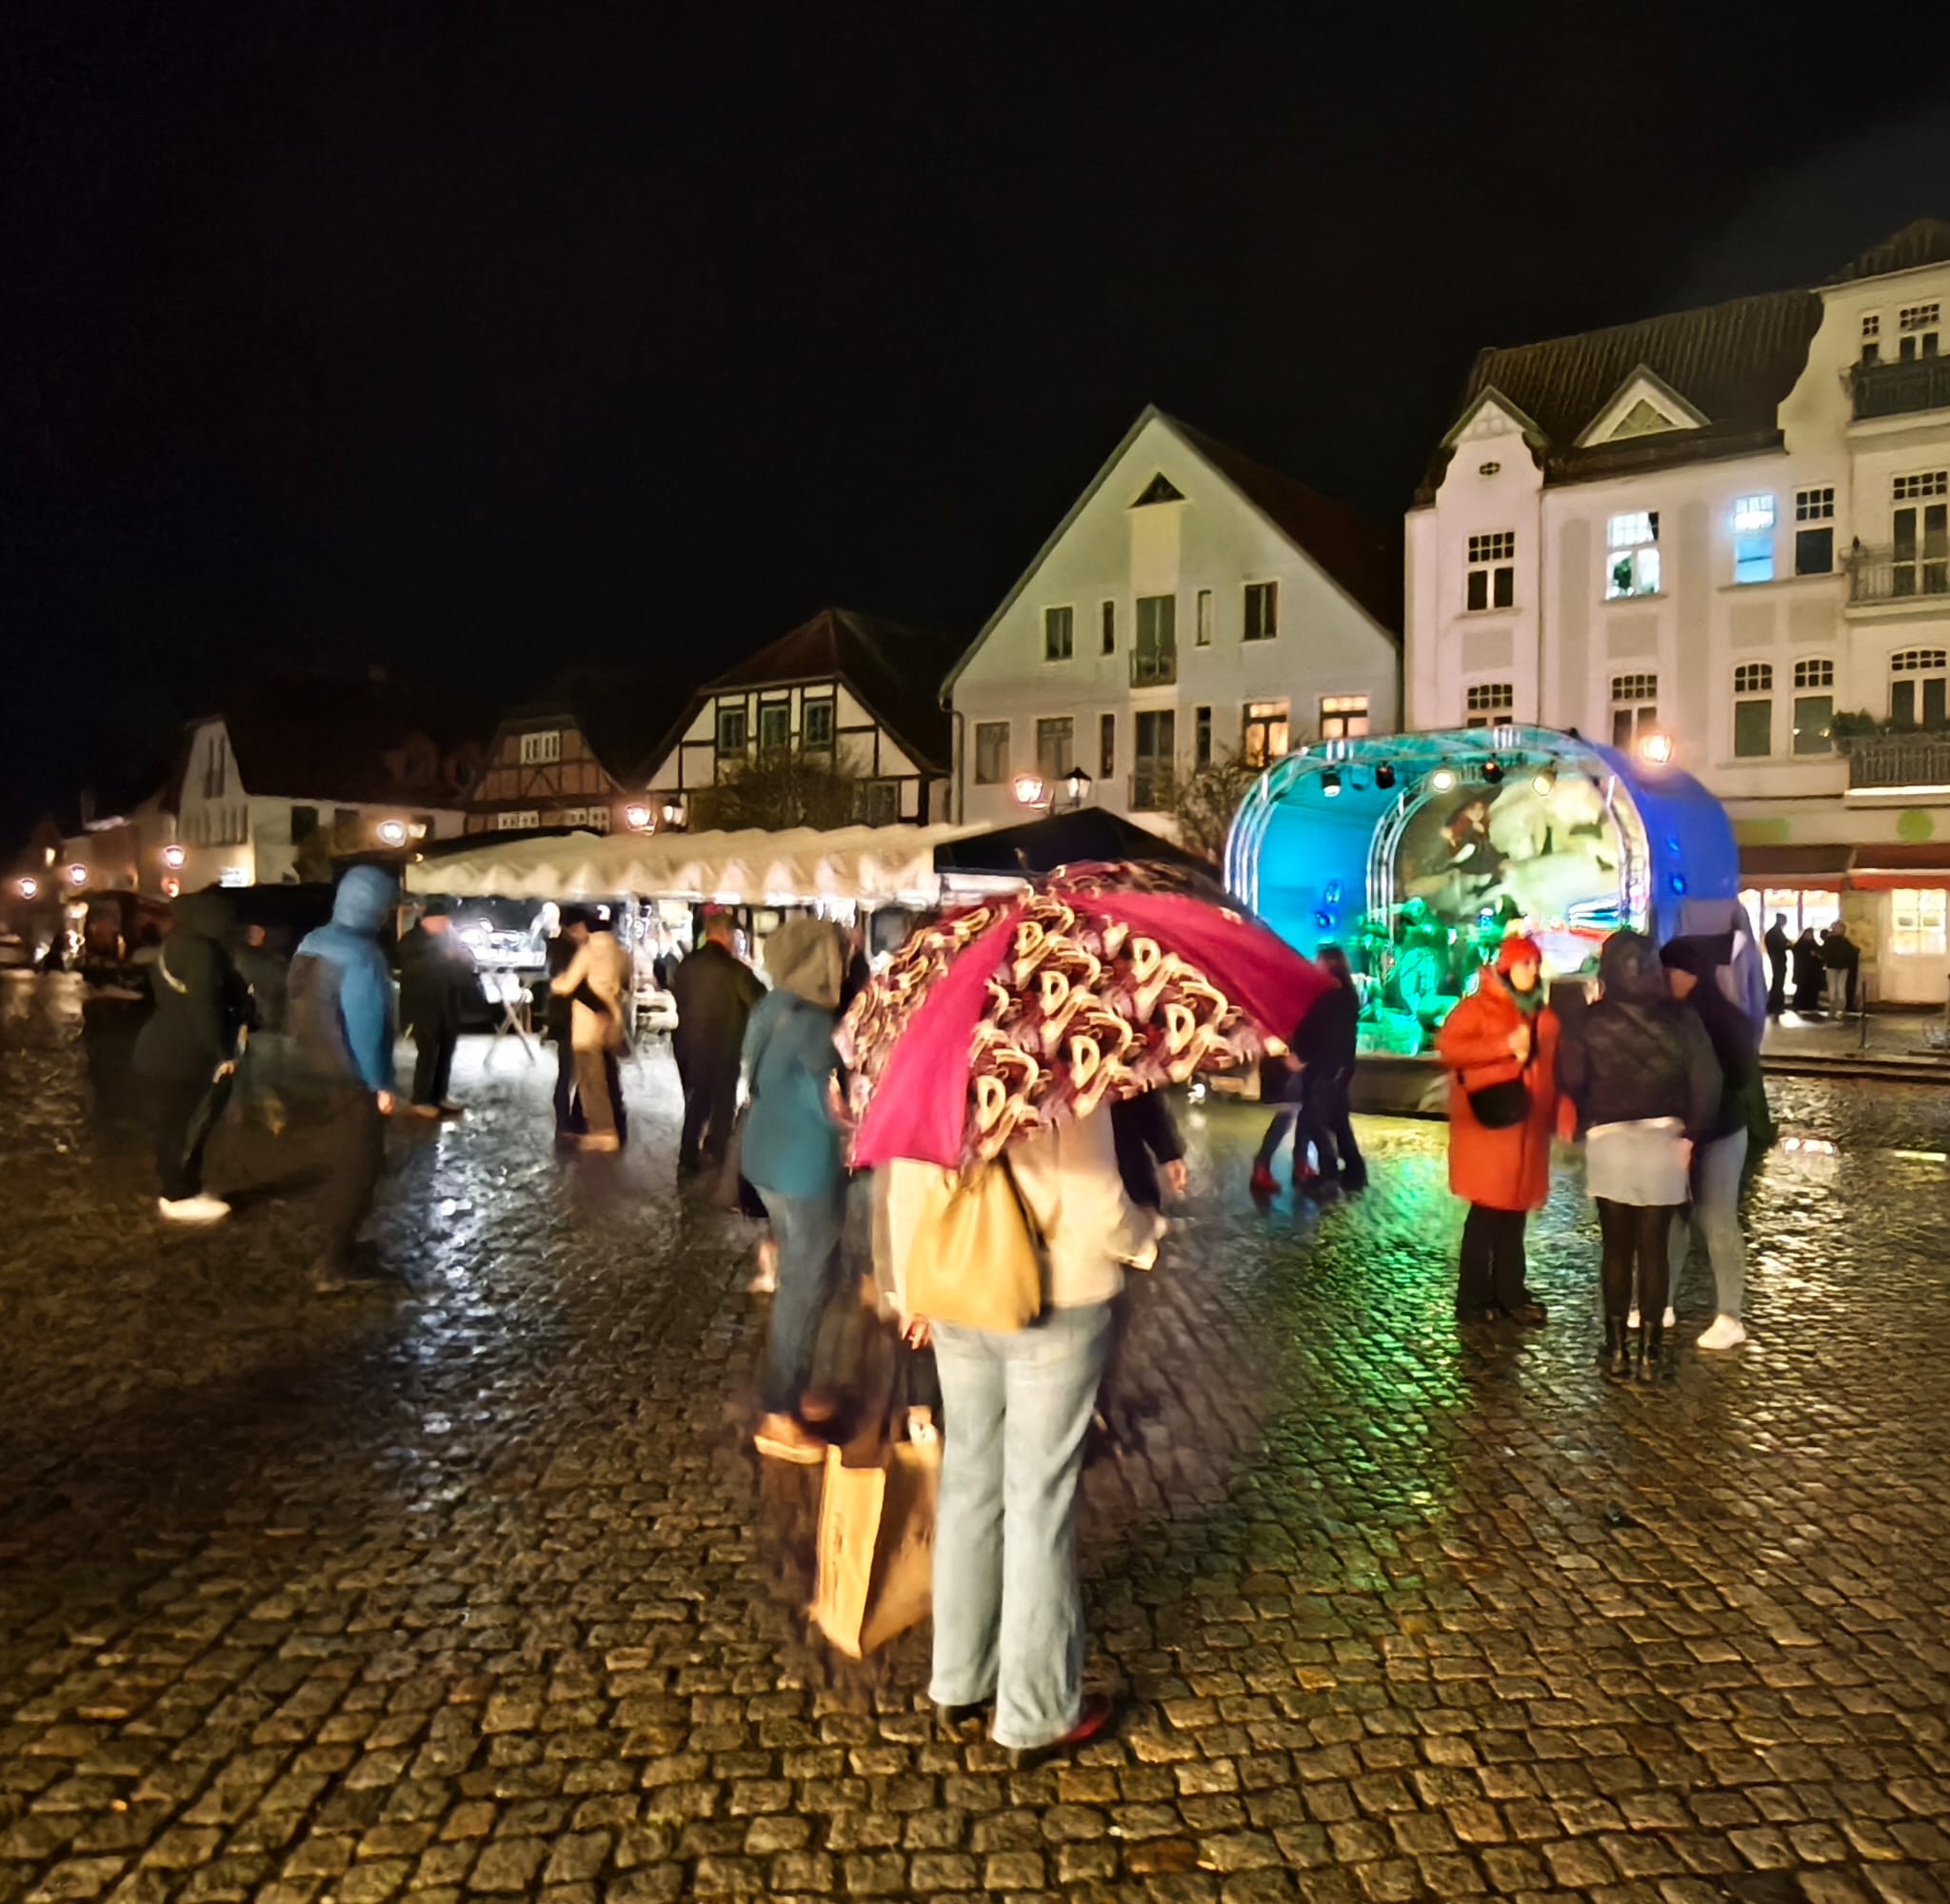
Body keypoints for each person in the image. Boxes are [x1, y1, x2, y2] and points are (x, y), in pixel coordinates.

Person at [895, 1107, 1162, 1755]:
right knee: (1037, 1501)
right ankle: (1035, 1713)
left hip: (957, 1285)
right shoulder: (1067, 1061)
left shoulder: (930, 1058)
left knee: (968, 1484)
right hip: (1057, 1295)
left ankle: (959, 1680)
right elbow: (1097, 1201)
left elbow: (905, 1178)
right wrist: (1145, 1235)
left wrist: (911, 1289)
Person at [1556, 930, 1721, 1382]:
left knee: (1615, 1249)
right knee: (1653, 1250)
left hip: (1609, 1139)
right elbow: (1708, 1082)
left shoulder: (1588, 1021)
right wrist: (1691, 1136)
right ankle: (1650, 1353)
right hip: (1664, 1140)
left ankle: (1615, 1350)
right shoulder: (1682, 1019)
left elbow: (1569, 1077)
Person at [741, 917, 849, 1463]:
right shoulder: (814, 1025)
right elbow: (833, 1109)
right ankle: (779, 1413)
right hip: (803, 1168)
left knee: (797, 1280)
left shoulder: (771, 1005)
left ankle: (795, 1388)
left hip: (764, 1155)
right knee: (805, 1286)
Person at [1433, 934, 1560, 1327]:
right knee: (1488, 1214)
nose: (1532, 970)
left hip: (1526, 1127)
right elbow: (1450, 1048)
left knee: (1513, 1214)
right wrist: (1504, 1046)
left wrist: (1560, 1108)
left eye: (1535, 963)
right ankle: (1474, 1297)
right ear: (1506, 967)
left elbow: (1550, 1066)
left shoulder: (1540, 1013)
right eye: (1525, 963)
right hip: (1490, 1127)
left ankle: (1509, 1292)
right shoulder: (1478, 1008)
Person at [286, 866, 400, 1292]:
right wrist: (380, 1083)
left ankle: (340, 1248)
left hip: (313, 1066)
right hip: (351, 1076)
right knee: (361, 1166)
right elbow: (367, 1028)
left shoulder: (312, 941)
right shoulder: (362, 954)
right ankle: (334, 1262)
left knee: (340, 1158)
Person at [1661, 939, 1760, 1352]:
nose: (1664, 980)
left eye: (1670, 972)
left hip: (1720, 1133)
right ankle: (1661, 1302)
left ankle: (1730, 1316)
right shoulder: (1669, 1014)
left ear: (1691, 974)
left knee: (1717, 1218)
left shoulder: (1723, 1019)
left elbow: (1739, 1078)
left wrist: (1699, 1122)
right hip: (1681, 1133)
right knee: (1674, 1218)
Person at [133, 887, 248, 1222]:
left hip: (159, 1047)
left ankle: (174, 1185)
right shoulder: (202, 951)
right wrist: (222, 1052)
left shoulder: (174, 943)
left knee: (173, 1122)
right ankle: (175, 1194)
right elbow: (203, 1009)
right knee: (182, 1123)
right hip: (183, 1054)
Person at [669, 909, 764, 1177]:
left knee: (697, 1100)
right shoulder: (736, 970)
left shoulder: (685, 965)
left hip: (687, 1044)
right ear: (725, 935)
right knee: (723, 1102)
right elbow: (760, 1002)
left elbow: (677, 995)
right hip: (724, 1046)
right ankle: (718, 1155)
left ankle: (688, 1155)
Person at [550, 910, 629, 1152]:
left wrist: (556, 983)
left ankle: (602, 1132)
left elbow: (567, 985)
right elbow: (627, 982)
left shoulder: (587, 952)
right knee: (605, 1076)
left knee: (591, 1081)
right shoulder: (621, 954)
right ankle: (609, 1127)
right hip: (612, 1021)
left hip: (586, 1026)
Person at [1292, 944, 1366, 1196]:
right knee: (1338, 1120)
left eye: (1319, 961)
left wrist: (1301, 1055)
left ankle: (1329, 1172)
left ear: (1330, 965)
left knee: (1315, 1120)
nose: (1315, 965)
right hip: (1338, 1066)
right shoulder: (1345, 995)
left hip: (1326, 1067)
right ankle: (1354, 1172)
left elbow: (1315, 1030)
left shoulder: (1330, 997)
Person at [397, 901, 477, 1118]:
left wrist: (460, 958)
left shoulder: (450, 938)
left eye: (447, 922)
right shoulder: (412, 940)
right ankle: (420, 1099)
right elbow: (414, 965)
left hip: (448, 1004)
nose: (445, 925)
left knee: (446, 1051)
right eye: (442, 921)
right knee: (428, 1053)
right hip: (423, 1007)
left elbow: (468, 959)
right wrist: (446, 958)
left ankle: (439, 1095)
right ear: (428, 920)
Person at [232, 919, 291, 1132]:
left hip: (238, 1025)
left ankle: (236, 1115)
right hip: (266, 1024)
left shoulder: (230, 958)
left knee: (238, 1073)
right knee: (262, 1076)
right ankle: (274, 1120)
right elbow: (285, 992)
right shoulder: (272, 963)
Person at [543, 905, 584, 1140]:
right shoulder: (566, 950)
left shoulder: (561, 947)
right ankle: (565, 1123)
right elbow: (566, 984)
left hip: (567, 1017)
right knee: (567, 1072)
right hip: (568, 1018)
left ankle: (570, 1121)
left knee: (569, 1071)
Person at [1821, 922, 1860, 1014]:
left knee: (1834, 987)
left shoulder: (1830, 940)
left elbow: (1824, 952)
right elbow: (1855, 951)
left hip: (1833, 966)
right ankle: (1840, 1008)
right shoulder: (1844, 941)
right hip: (1842, 966)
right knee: (1840, 987)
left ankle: (1835, 1007)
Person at [1791, 926, 1826, 1013]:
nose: (1809, 936)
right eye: (1808, 934)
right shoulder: (1800, 945)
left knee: (1812, 990)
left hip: (1813, 973)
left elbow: (1820, 955)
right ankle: (1800, 1005)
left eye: (1811, 934)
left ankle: (1810, 1005)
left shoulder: (1813, 944)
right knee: (1802, 989)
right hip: (1803, 972)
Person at [1762, 913, 1790, 1017]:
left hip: (1776, 959)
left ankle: (1774, 1004)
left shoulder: (1772, 932)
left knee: (1777, 982)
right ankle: (1776, 1005)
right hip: (1778, 960)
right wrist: (1788, 945)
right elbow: (1782, 945)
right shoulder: (1776, 933)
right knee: (1779, 982)